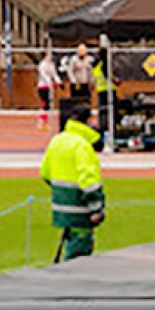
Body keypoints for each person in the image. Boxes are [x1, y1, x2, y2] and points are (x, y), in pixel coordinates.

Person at [40, 102, 106, 262]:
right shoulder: (82, 145)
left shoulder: (57, 141)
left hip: (60, 206)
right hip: (80, 209)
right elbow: (89, 181)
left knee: (71, 246)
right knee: (78, 255)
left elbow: (45, 173)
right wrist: (96, 208)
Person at [36, 51, 59, 131]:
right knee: (44, 104)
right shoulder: (42, 65)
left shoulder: (51, 65)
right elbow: (43, 75)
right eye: (48, 55)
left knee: (48, 106)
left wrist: (59, 82)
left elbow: (54, 74)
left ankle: (45, 123)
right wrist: (49, 83)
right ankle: (41, 122)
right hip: (42, 87)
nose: (50, 57)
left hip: (49, 87)